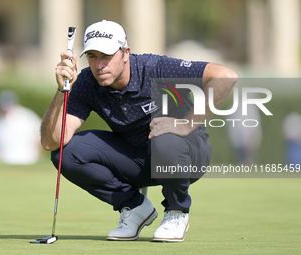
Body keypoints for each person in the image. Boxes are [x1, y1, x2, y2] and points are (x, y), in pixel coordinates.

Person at [40, 20, 237, 242]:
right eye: (92, 56)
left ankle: (176, 211)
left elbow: (225, 76)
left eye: (106, 55)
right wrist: (61, 90)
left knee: (164, 136)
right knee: (66, 152)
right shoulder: (86, 81)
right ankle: (135, 208)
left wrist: (186, 124)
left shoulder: (155, 68)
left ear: (126, 53)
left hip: (187, 155)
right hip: (137, 160)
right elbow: (51, 142)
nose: (99, 65)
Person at [0, 90, 42, 165]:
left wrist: (37, 157)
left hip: (28, 161)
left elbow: (41, 140)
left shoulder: (28, 116)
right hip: (3, 162)